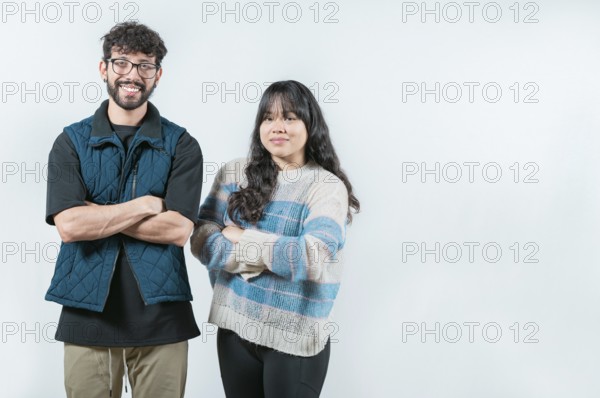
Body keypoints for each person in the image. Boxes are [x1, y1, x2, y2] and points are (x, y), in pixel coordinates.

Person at [45, 22, 203, 398]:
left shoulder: (182, 145)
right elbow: (69, 225)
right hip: (87, 316)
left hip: (162, 318)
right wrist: (146, 205)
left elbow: (178, 231)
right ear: (104, 69)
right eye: (122, 63)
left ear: (157, 74)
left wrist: (96, 215)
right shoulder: (70, 142)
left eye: (144, 65)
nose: (132, 75)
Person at [190, 80, 360, 398]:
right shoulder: (233, 174)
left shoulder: (325, 186)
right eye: (268, 118)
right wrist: (269, 255)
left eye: (290, 117)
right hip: (234, 329)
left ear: (311, 124)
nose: (277, 127)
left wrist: (241, 237)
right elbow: (202, 238)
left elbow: (308, 258)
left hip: (293, 341)